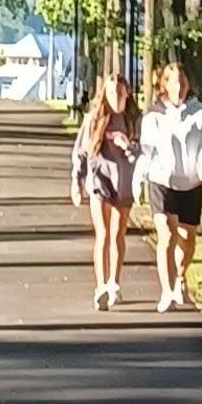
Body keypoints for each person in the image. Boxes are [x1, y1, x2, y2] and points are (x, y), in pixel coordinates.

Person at [136, 54, 202, 313]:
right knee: (166, 235)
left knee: (187, 237)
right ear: (164, 85)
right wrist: (139, 177)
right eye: (173, 82)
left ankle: (180, 276)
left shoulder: (199, 112)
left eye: (182, 81)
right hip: (161, 180)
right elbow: (146, 150)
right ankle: (167, 291)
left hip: (191, 182)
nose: (178, 86)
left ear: (188, 84)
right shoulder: (154, 115)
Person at [70, 66, 140, 308]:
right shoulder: (93, 119)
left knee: (118, 233)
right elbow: (80, 151)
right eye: (111, 94)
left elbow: (142, 155)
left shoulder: (133, 121)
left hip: (123, 182)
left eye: (120, 94)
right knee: (102, 233)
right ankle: (100, 286)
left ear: (127, 94)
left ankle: (114, 282)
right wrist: (76, 182)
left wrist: (128, 146)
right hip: (99, 180)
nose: (116, 99)